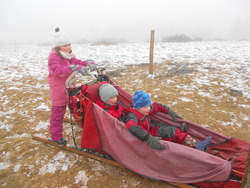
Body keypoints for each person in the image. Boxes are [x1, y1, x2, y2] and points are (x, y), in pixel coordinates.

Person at [48, 28, 97, 145]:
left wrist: (88, 62)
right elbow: (57, 70)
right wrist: (72, 68)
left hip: (70, 87)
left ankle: (80, 122)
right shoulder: (54, 57)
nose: (69, 47)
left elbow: (77, 62)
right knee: (58, 113)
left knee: (75, 107)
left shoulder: (68, 55)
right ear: (58, 46)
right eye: (65, 45)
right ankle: (56, 136)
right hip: (59, 90)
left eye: (69, 44)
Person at [125, 90, 212, 151]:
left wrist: (169, 111)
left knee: (171, 129)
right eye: (145, 107)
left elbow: (157, 106)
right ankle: (195, 145)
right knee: (171, 132)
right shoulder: (132, 116)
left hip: (150, 129)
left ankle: (193, 144)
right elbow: (131, 126)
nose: (148, 109)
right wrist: (149, 139)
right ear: (137, 107)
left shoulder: (144, 110)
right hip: (145, 137)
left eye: (148, 105)